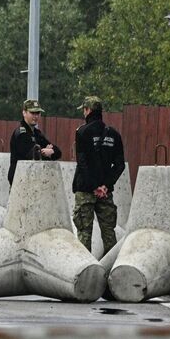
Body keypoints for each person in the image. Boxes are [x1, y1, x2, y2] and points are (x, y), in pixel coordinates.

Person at [72, 96, 125, 257]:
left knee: (84, 233)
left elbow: (82, 163)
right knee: (109, 233)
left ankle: (85, 270)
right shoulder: (114, 134)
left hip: (85, 190)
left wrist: (94, 185)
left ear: (88, 111)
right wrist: (105, 186)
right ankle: (112, 270)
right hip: (105, 192)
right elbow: (120, 165)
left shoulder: (82, 132)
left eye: (84, 109)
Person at [8, 99, 60, 185]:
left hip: (33, 181)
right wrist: (45, 152)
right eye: (32, 113)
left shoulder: (37, 133)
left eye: (38, 113)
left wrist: (51, 151)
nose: (35, 116)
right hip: (20, 181)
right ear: (24, 113)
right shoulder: (21, 133)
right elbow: (31, 155)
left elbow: (58, 152)